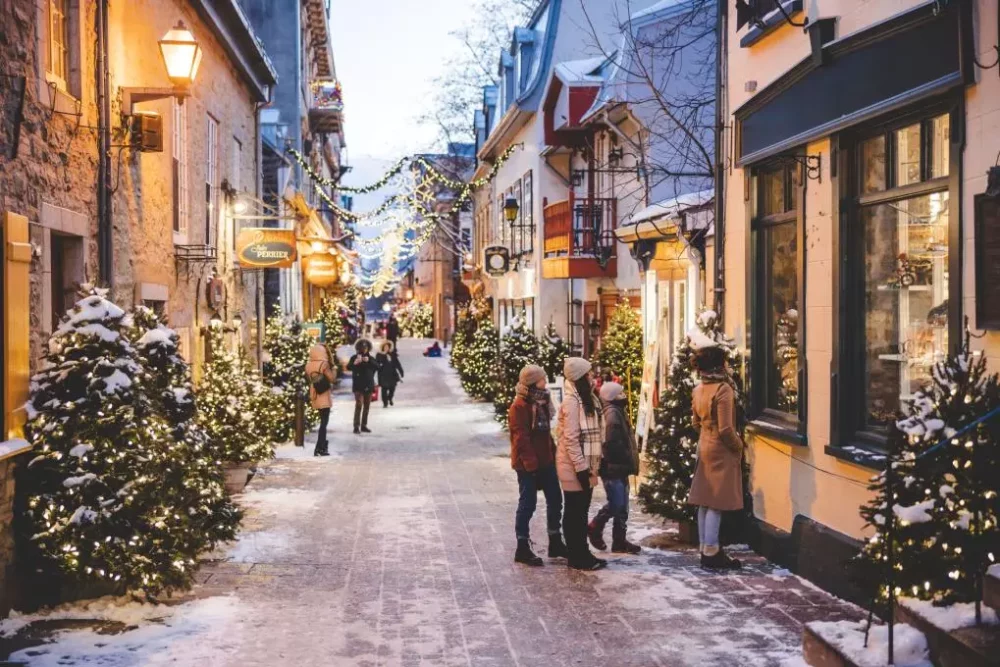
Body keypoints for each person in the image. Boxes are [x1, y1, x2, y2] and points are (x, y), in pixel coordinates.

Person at [688, 344, 744, 570]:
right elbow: (726, 429)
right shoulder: (723, 390)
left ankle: (704, 547)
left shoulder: (698, 389)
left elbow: (694, 422)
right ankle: (712, 552)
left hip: (704, 444)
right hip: (720, 449)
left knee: (704, 499)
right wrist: (738, 447)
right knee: (717, 502)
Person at [509, 364, 567, 566]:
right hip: (527, 465)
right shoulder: (519, 406)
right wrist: (531, 466)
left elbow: (545, 434)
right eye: (542, 379)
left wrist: (553, 453)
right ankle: (522, 547)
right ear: (533, 382)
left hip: (546, 461)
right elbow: (521, 439)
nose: (545, 381)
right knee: (528, 504)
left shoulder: (541, 401)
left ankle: (555, 541)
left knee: (555, 500)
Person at [556, 357, 606, 571]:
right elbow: (571, 438)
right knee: (575, 510)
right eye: (588, 373)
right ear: (580, 377)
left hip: (587, 462)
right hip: (574, 465)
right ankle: (576, 556)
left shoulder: (586, 398)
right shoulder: (572, 401)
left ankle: (582, 552)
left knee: (581, 510)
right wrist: (581, 468)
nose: (592, 376)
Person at [588, 382, 642, 554]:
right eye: (620, 393)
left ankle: (619, 541)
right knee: (617, 504)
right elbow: (611, 444)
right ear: (612, 396)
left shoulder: (617, 411)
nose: (624, 395)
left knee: (623, 506)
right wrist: (623, 458)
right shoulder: (612, 414)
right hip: (613, 468)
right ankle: (595, 525)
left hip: (620, 466)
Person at [305, 343, 335, 457]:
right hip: (323, 395)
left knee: (323, 421)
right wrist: (334, 369)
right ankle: (320, 447)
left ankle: (321, 446)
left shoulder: (308, 365)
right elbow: (332, 379)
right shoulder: (324, 364)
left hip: (315, 394)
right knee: (324, 422)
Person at [347, 339, 378, 434]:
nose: (364, 349)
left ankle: (364, 425)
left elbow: (377, 366)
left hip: (368, 384)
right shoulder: (354, 358)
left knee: (367, 406)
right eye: (362, 348)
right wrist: (355, 363)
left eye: (366, 348)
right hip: (358, 385)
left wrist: (369, 361)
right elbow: (349, 367)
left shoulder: (371, 358)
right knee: (359, 405)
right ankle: (356, 426)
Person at [376, 341, 404, 408]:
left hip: (392, 374)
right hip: (383, 375)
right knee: (384, 390)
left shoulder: (392, 355)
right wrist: (383, 355)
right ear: (383, 348)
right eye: (385, 347)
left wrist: (401, 371)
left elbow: (397, 364)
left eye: (387, 347)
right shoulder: (379, 355)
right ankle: (385, 403)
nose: (386, 348)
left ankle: (390, 398)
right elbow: (377, 363)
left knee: (392, 388)